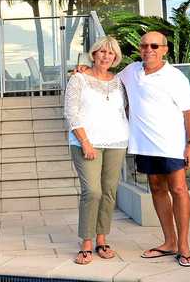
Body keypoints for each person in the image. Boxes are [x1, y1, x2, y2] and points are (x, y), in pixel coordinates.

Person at [118, 30, 190, 267]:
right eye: (144, 46)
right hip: (144, 144)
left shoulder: (175, 78)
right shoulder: (131, 71)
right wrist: (85, 70)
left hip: (171, 144)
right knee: (156, 188)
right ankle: (169, 242)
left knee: (179, 189)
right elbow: (107, 76)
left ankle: (183, 247)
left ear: (164, 50)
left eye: (154, 46)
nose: (148, 50)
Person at [63, 35, 128, 265]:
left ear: (116, 57)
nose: (106, 56)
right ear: (94, 54)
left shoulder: (120, 81)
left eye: (110, 53)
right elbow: (71, 113)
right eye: (102, 51)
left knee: (109, 192)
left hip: (117, 142)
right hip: (86, 142)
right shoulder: (79, 78)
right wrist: (85, 142)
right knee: (92, 192)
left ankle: (102, 239)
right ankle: (86, 241)